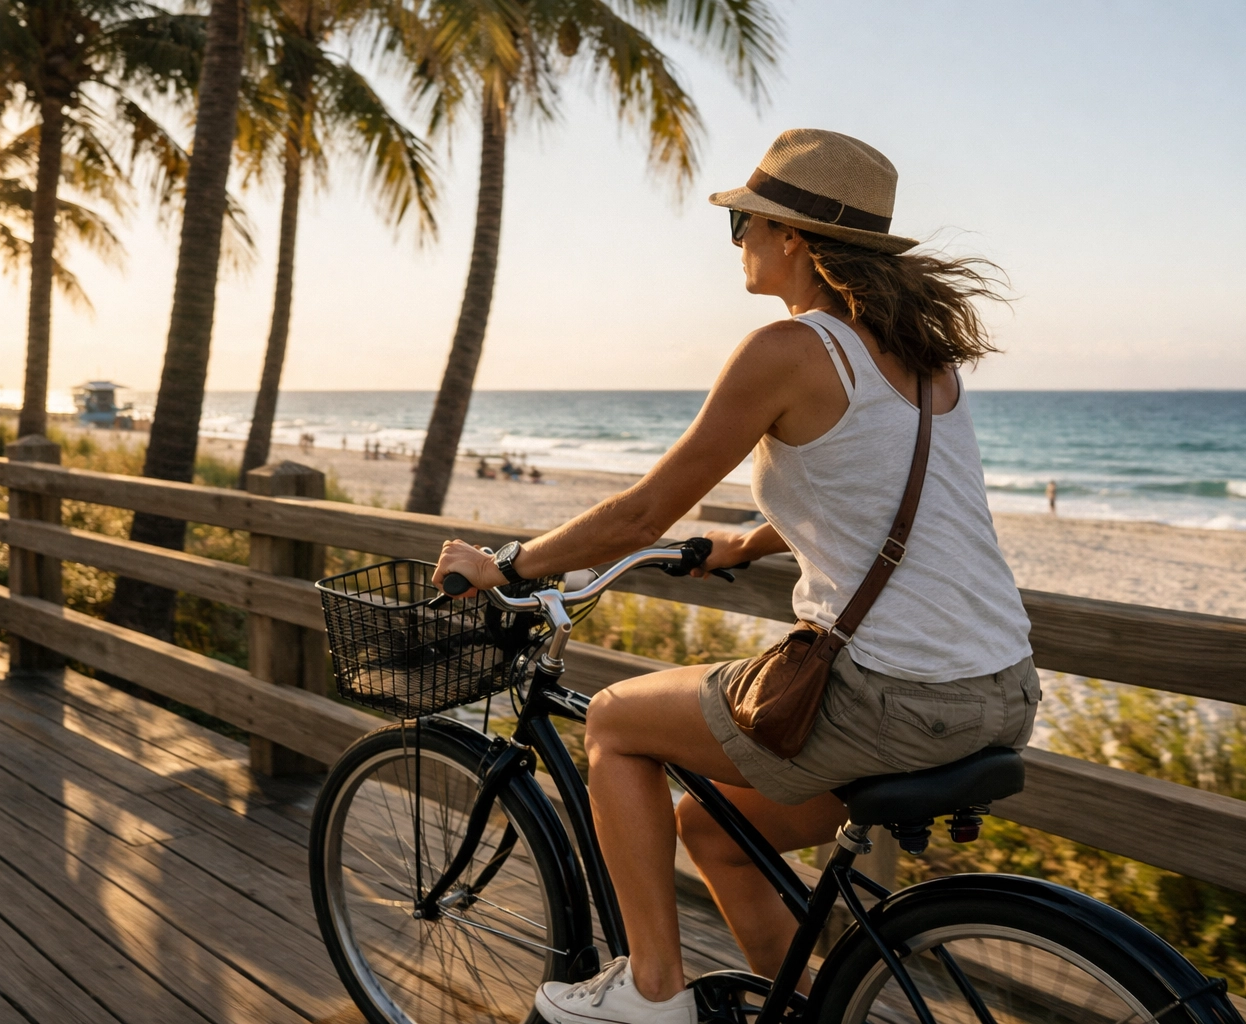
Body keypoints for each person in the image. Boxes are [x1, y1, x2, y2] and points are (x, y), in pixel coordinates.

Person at [434, 129, 1037, 1024]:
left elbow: (642, 515)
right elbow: (880, 493)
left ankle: (650, 994)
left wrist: (509, 564)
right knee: (715, 830)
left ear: (791, 237)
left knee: (612, 721)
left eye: (743, 223)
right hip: (1001, 688)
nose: (739, 242)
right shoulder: (925, 357)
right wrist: (750, 545)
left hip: (892, 694)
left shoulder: (787, 349)